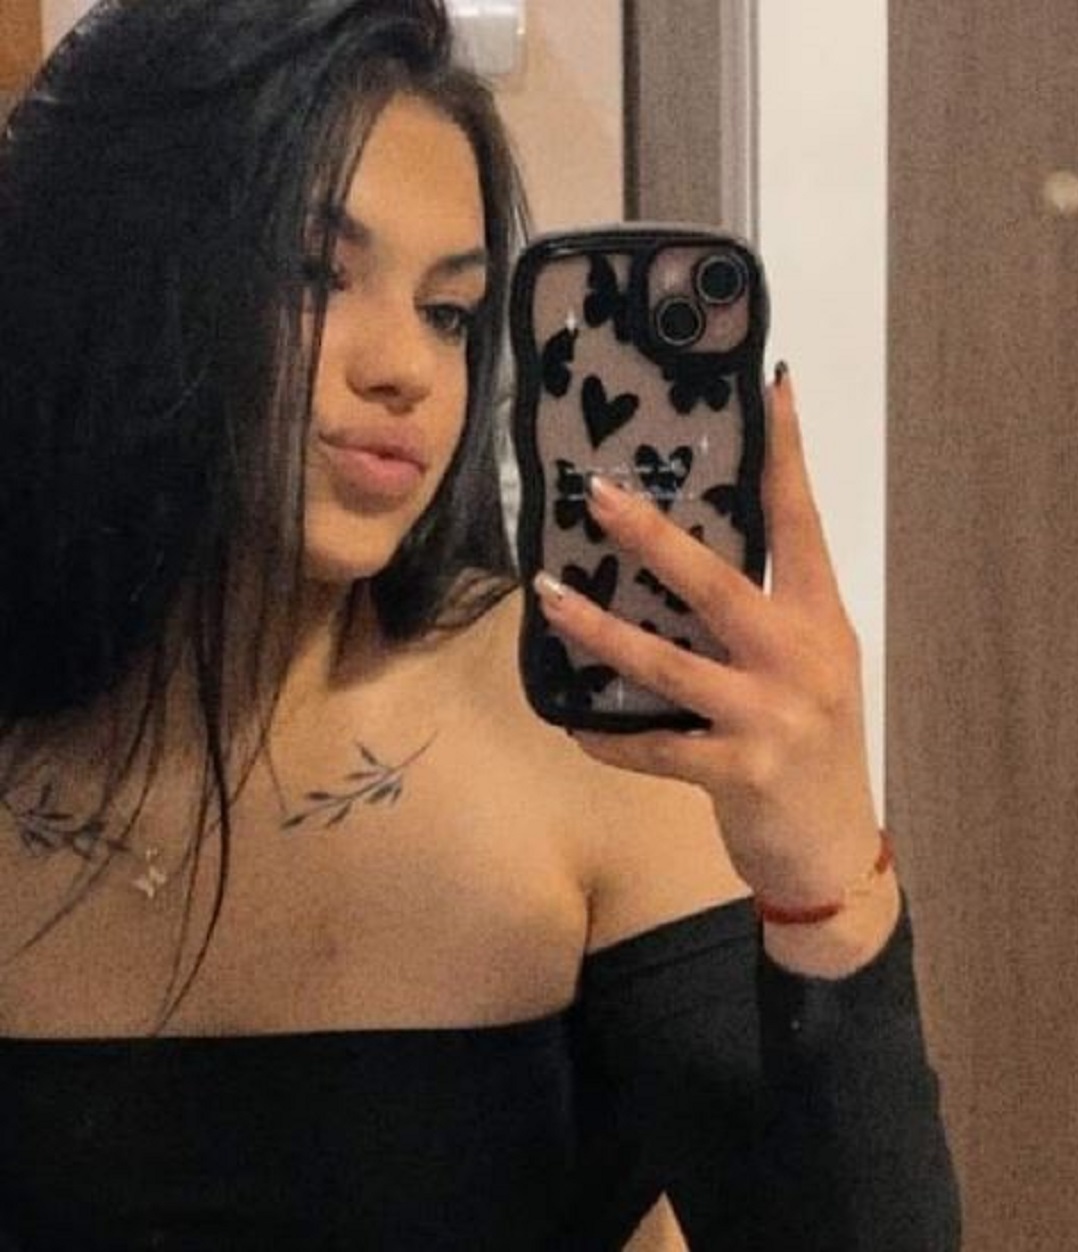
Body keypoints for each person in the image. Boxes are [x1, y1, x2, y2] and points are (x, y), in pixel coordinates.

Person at [0, 1, 960, 1248]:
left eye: (449, 311)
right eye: (316, 275)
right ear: (114, 269)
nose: (408, 368)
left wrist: (828, 885)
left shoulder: (584, 737)